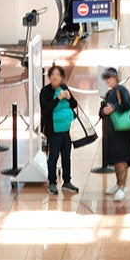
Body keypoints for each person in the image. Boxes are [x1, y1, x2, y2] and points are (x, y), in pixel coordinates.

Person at [39, 64, 80, 195]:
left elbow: (74, 104)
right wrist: (58, 99)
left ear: (62, 77)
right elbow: (45, 109)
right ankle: (52, 182)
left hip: (67, 130)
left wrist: (69, 97)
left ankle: (67, 181)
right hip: (54, 131)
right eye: (52, 75)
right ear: (49, 77)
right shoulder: (45, 92)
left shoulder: (64, 88)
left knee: (66, 156)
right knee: (53, 157)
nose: (55, 77)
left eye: (58, 75)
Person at [98, 67, 130, 202]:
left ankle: (122, 186)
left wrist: (113, 108)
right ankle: (119, 184)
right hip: (111, 132)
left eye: (110, 77)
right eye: (106, 78)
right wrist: (103, 111)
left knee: (121, 159)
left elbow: (128, 104)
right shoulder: (109, 93)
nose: (108, 80)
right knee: (115, 159)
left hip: (121, 133)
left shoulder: (121, 90)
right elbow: (102, 111)